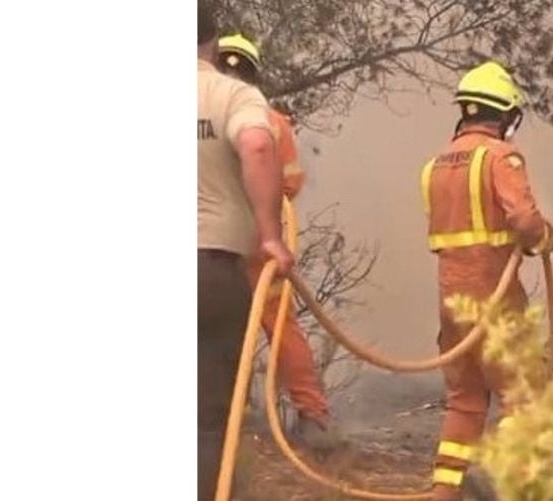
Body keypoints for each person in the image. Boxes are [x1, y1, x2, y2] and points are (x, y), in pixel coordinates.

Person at [419, 61, 553, 501]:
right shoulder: (501, 157)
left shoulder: (436, 166)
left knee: (464, 401)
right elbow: (523, 219)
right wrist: (544, 237)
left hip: (452, 308)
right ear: (505, 117)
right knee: (520, 396)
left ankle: (445, 491)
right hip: (495, 300)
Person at [216, 33, 339, 450]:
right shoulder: (272, 121)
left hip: (210, 238)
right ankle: (312, 417)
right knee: (279, 325)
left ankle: (222, 412)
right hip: (261, 241)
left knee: (211, 322)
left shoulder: (200, 111)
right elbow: (290, 182)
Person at [197, 4, 293, 501]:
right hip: (209, 267)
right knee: (210, 416)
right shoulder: (230, 94)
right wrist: (269, 233)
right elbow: (257, 146)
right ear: (213, 43)